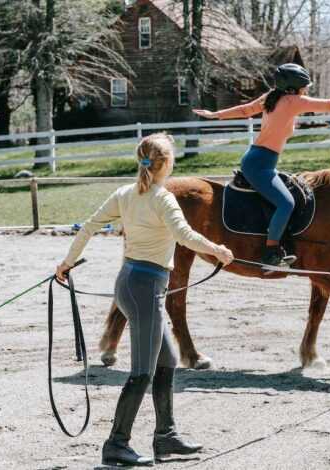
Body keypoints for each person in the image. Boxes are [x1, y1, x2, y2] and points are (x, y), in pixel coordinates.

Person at [55, 133, 234, 467]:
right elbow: (184, 236)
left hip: (131, 284)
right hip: (144, 288)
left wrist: (66, 262)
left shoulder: (125, 194)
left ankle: (166, 436)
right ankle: (116, 445)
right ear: (166, 163)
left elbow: (89, 226)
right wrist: (218, 250)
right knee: (142, 372)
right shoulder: (162, 198)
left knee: (166, 360)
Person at [194, 63, 330, 267]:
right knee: (286, 203)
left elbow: (244, 111)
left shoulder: (271, 96)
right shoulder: (293, 101)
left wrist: (215, 114)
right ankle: (271, 252)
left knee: (288, 195)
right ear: (294, 87)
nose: (306, 90)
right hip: (260, 164)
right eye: (304, 86)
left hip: (259, 160)